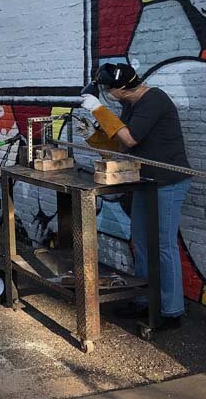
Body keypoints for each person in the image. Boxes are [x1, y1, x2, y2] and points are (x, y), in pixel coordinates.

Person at [81, 62, 192, 328]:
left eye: (108, 90)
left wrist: (98, 108)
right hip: (146, 181)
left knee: (163, 245)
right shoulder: (131, 104)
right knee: (141, 243)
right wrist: (94, 135)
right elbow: (120, 145)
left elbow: (130, 139)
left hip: (168, 182)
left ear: (120, 90)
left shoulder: (154, 100)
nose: (107, 94)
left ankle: (171, 310)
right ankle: (144, 299)